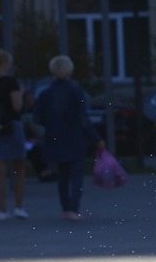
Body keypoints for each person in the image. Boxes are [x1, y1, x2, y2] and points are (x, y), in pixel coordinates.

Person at [35, 55, 105, 221]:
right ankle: (74, 208)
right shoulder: (75, 91)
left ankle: (66, 208)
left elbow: (38, 118)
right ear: (69, 71)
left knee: (63, 176)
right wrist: (96, 138)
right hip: (75, 137)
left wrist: (51, 124)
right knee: (76, 175)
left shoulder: (45, 94)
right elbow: (83, 118)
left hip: (55, 137)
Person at [0, 49, 28, 220]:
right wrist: (21, 92)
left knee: (0, 169)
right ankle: (19, 207)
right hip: (12, 125)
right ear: (5, 63)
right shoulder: (11, 82)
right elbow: (17, 106)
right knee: (18, 167)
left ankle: (2, 210)